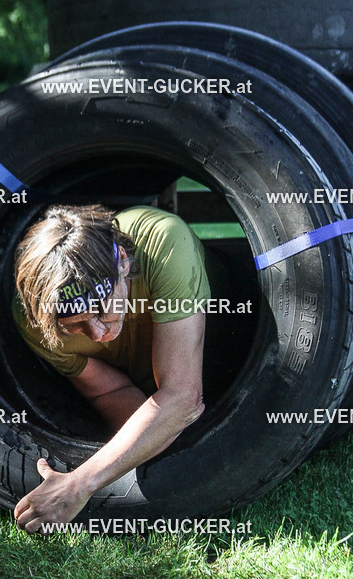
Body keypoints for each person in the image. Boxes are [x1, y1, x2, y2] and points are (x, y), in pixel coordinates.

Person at [11, 202, 217, 533]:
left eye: (102, 310)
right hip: (148, 385)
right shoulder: (37, 319)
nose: (98, 333)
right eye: (75, 326)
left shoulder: (164, 242)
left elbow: (182, 397)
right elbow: (111, 390)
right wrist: (162, 439)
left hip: (226, 349)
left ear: (121, 262)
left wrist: (78, 484)